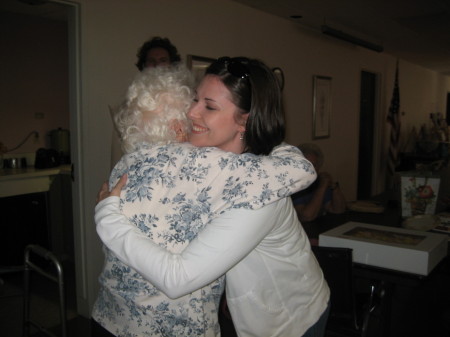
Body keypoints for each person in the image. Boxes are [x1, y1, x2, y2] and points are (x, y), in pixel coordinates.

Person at [95, 57, 330, 337]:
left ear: (244, 121)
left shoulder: (259, 190)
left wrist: (108, 219)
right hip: (241, 307)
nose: (190, 112)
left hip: (288, 319)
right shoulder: (207, 163)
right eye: (195, 99)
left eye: (209, 106)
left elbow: (178, 278)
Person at [111, 37, 182, 167]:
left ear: (171, 64)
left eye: (163, 60)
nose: (156, 65)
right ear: (143, 65)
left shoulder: (184, 99)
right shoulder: (130, 103)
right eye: (151, 61)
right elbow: (119, 151)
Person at [292, 143, 346, 222]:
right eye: (307, 165)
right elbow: (306, 216)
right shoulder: (294, 186)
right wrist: (322, 187)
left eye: (314, 165)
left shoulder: (319, 181)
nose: (311, 169)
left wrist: (333, 186)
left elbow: (338, 210)